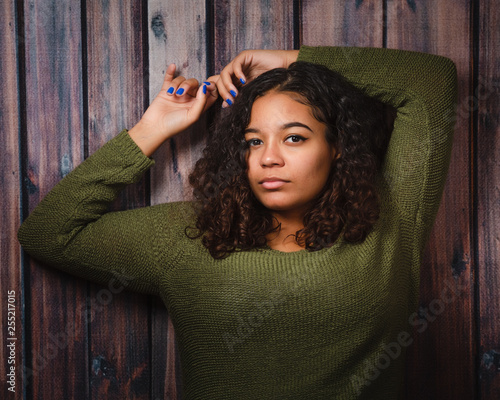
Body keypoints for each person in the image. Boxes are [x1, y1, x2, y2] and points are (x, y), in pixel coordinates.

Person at [18, 46, 457, 399]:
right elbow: (48, 233)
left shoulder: (390, 218)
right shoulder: (190, 236)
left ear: (337, 146)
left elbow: (430, 82)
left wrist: (288, 59)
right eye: (253, 141)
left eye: (294, 137)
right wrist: (153, 128)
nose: (268, 157)